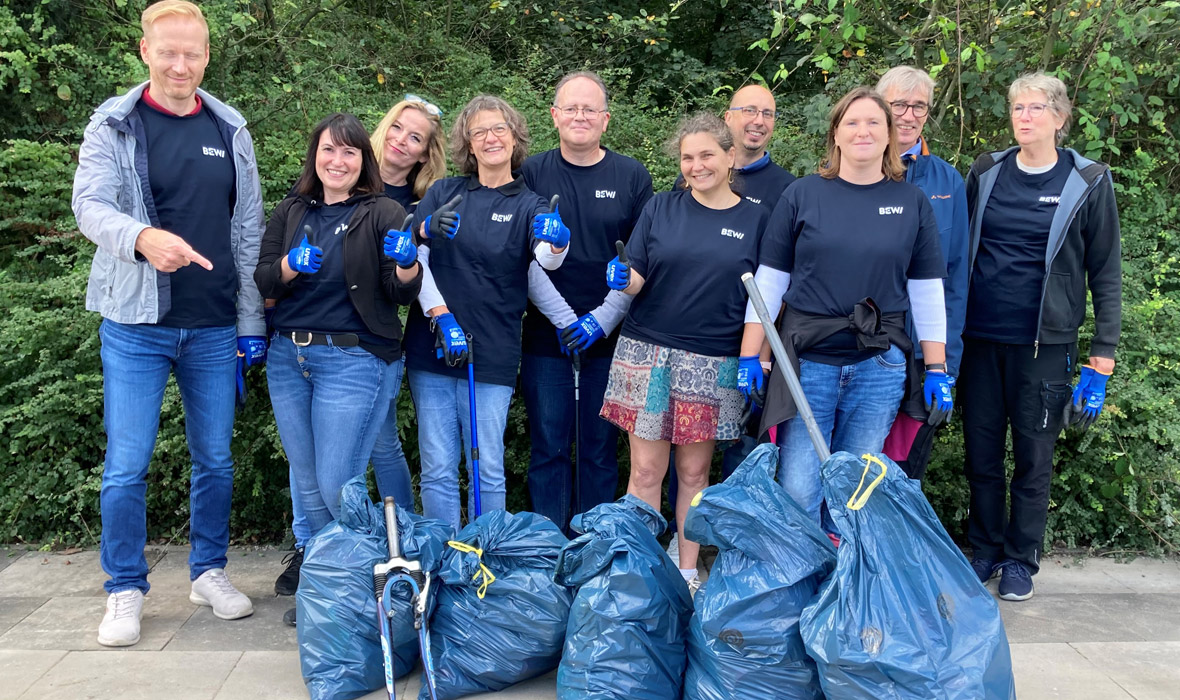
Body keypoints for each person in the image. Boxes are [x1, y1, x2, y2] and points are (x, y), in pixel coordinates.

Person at [71, 0, 264, 647]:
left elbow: (247, 231)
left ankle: (208, 571)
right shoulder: (115, 124)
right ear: (145, 50)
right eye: (169, 51)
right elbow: (89, 207)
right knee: (127, 464)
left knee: (215, 459)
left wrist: (248, 323)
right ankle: (124, 587)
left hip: (211, 329)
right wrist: (142, 237)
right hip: (135, 326)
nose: (181, 64)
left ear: (207, 56)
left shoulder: (229, 127)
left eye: (193, 52)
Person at [743, 86, 952, 532]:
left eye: (874, 122)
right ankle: (802, 590)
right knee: (799, 489)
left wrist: (936, 368)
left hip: (879, 365)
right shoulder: (802, 195)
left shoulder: (912, 203)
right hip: (808, 365)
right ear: (835, 134)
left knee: (857, 491)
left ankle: (845, 592)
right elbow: (769, 283)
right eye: (852, 122)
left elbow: (927, 290)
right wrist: (750, 354)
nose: (863, 131)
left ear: (890, 134)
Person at [271, 95, 448, 599]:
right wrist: (283, 277)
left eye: (415, 138)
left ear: (423, 154)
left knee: (352, 464)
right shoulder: (301, 205)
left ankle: (388, 552)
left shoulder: (402, 205)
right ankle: (324, 563)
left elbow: (403, 283)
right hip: (299, 352)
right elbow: (265, 273)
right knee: (315, 471)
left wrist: (419, 273)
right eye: (398, 129)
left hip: (364, 350)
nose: (402, 141)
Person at [961, 72, 1121, 601]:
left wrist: (1102, 357)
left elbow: (1106, 273)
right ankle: (983, 549)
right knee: (981, 453)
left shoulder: (1088, 182)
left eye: (1035, 108)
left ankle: (1020, 560)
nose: (1023, 117)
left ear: (1058, 116)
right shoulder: (986, 172)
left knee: (1033, 457)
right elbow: (960, 250)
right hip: (980, 340)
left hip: (1045, 348)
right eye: (1016, 108)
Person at [600, 113, 769, 593]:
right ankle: (642, 568)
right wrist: (621, 278)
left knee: (694, 473)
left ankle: (687, 571)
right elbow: (637, 277)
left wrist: (756, 359)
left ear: (731, 156)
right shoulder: (660, 207)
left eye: (707, 155)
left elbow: (766, 298)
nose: (697, 166)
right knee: (646, 471)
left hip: (714, 361)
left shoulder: (756, 219)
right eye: (688, 158)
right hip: (648, 354)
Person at [405, 94, 570, 532]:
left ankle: (486, 558)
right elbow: (414, 260)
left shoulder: (530, 204)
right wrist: (442, 317)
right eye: (480, 131)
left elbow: (545, 261)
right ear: (468, 144)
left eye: (499, 128)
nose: (491, 138)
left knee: (488, 466)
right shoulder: (445, 192)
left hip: (492, 355)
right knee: (438, 466)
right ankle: (442, 558)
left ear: (515, 138)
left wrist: (557, 241)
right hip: (433, 349)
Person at [664, 83, 799, 557]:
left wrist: (758, 356)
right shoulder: (687, 186)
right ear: (729, 119)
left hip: (743, 354)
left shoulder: (786, 190)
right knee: (680, 465)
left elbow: (775, 284)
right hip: (681, 348)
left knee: (743, 460)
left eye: (767, 113)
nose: (757, 120)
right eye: (748, 111)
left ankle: (733, 559)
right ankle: (682, 554)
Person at [520, 71, 654, 533]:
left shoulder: (632, 175)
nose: (580, 116)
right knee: (549, 448)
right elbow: (519, 258)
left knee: (598, 450)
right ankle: (546, 549)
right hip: (545, 336)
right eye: (570, 108)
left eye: (590, 109)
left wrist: (601, 320)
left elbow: (641, 260)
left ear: (606, 119)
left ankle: (592, 549)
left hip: (611, 338)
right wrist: (563, 319)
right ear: (554, 115)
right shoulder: (531, 172)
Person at [875, 66, 970, 480]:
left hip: (921, 352)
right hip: (866, 348)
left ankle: (894, 545)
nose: (909, 116)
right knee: (854, 461)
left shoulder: (947, 179)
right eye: (899, 105)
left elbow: (957, 274)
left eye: (920, 107)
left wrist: (945, 363)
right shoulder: (852, 170)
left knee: (904, 469)